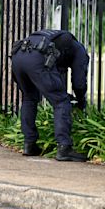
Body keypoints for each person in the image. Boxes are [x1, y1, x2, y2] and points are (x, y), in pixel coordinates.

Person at [11, 29, 89, 162]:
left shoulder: (57, 40)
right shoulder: (80, 51)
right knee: (61, 101)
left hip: (18, 56)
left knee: (29, 98)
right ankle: (64, 148)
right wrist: (81, 101)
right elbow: (79, 83)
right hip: (37, 57)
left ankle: (29, 144)